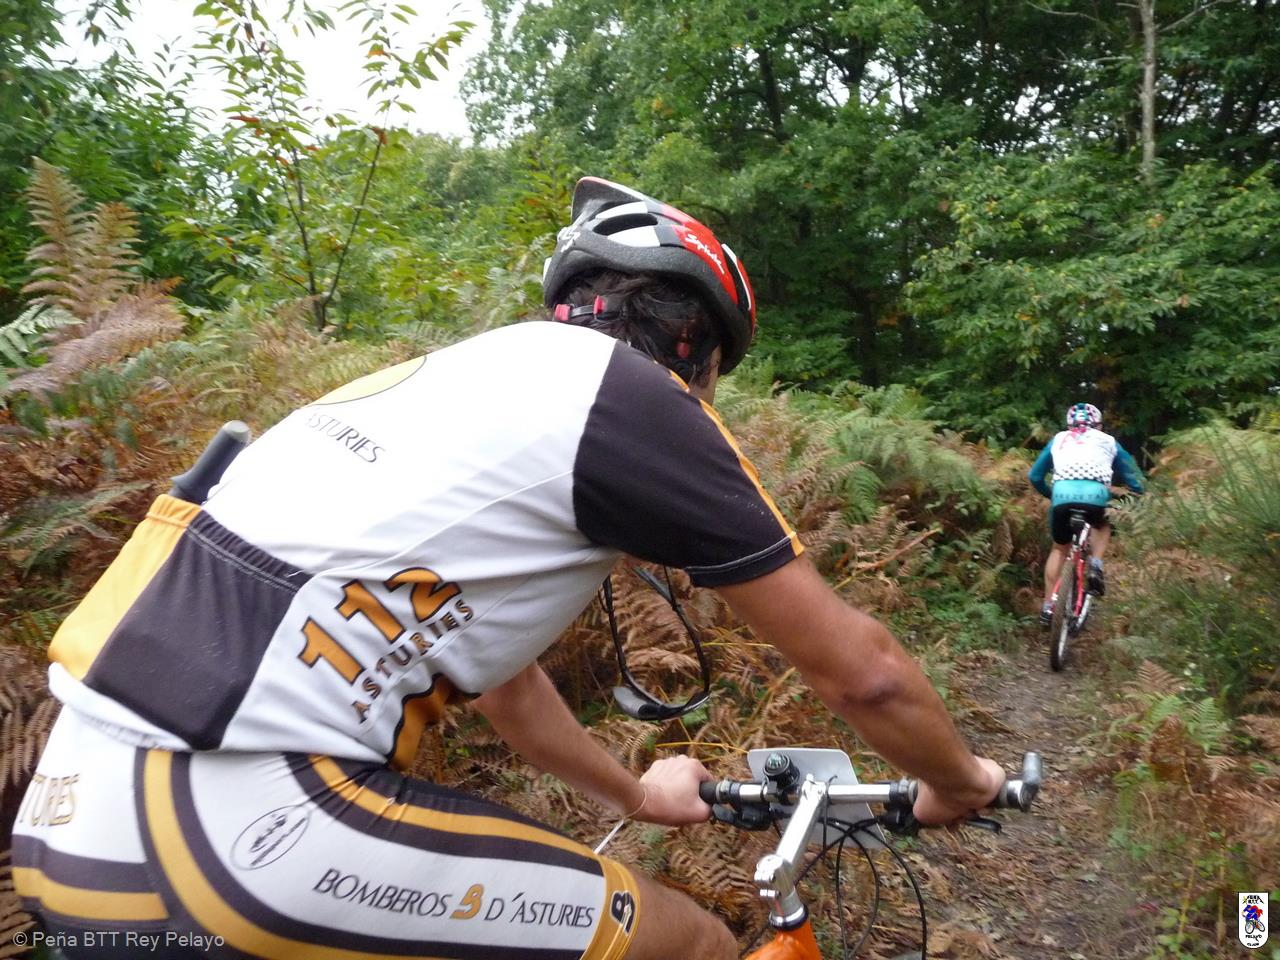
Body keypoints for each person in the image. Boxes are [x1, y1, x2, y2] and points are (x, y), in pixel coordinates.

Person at [13, 177, 1005, 960]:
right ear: (694, 345)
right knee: (696, 942)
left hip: (69, 824)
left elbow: (505, 684)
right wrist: (956, 783)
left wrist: (634, 796)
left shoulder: (441, 386)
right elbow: (863, 674)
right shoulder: (635, 398)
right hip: (231, 833)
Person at [1029, 402, 1145, 625]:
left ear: (1069, 424)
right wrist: (1136, 497)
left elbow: (1034, 476)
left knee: (1059, 549)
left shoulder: (1059, 439)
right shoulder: (1108, 441)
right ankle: (1096, 565)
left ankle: (1048, 606)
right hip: (1096, 496)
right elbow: (1135, 480)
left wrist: (1051, 495)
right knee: (1102, 523)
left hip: (1061, 496)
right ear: (1098, 425)